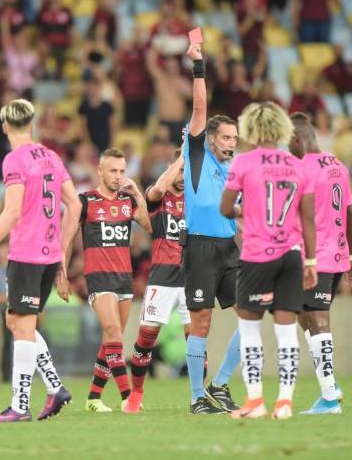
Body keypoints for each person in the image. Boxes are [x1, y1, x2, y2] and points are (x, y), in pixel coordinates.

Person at [0, 99, 80, 422]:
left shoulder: (13, 160)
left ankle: (20, 405)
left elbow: (13, 210)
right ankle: (55, 387)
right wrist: (61, 249)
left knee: (22, 325)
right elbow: (74, 205)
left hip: (26, 254)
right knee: (17, 322)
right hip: (47, 255)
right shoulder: (52, 157)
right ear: (32, 124)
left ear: (4, 126)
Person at [219, 102, 317, 420]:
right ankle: (285, 403)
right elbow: (308, 219)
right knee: (287, 330)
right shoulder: (299, 165)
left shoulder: (244, 163)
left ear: (251, 128)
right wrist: (312, 262)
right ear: (281, 129)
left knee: (249, 329)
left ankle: (255, 401)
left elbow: (225, 208)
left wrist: (243, 211)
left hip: (257, 254)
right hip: (292, 254)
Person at [182, 41, 243, 415]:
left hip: (228, 248)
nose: (231, 145)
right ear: (210, 138)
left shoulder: (232, 168)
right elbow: (201, 107)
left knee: (253, 311)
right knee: (201, 321)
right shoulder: (196, 153)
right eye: (226, 138)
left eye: (235, 139)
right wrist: (199, 64)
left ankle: (219, 384)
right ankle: (195, 397)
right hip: (201, 247)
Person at [288, 113, 352, 415]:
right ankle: (326, 389)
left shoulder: (301, 169)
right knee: (305, 317)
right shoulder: (337, 164)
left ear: (295, 139)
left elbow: (297, 216)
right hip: (339, 254)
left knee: (317, 320)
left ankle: (331, 394)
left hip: (315, 257)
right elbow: (351, 212)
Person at [75, 148, 151, 413]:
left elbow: (150, 227)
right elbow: (65, 236)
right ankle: (128, 397)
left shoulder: (127, 202)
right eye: (113, 170)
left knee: (111, 341)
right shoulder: (84, 201)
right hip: (98, 277)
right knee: (114, 334)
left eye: (122, 171)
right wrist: (61, 270)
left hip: (123, 278)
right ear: (100, 171)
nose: (118, 176)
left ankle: (93, 398)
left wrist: (138, 192)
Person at [127, 149, 188, 412]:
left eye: (188, 170)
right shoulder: (158, 198)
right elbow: (158, 188)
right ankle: (136, 395)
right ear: (171, 167)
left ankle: (199, 397)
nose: (184, 176)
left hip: (191, 278)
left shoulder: (195, 200)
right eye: (180, 170)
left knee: (196, 339)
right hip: (162, 278)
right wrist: (184, 155)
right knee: (146, 340)